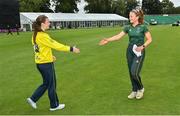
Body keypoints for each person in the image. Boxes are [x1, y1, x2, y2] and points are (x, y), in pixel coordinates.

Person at [27, 15, 80, 111]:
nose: (49, 23)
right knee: (51, 84)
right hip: (46, 64)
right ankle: (54, 105)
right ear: (43, 24)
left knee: (47, 83)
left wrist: (50, 56)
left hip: (41, 63)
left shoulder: (36, 35)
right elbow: (56, 45)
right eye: (48, 22)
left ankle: (33, 99)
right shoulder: (42, 36)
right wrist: (71, 49)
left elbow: (40, 50)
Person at [99, 9, 152, 100]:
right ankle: (134, 90)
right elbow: (118, 37)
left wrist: (143, 46)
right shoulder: (128, 27)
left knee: (134, 72)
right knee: (131, 72)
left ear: (137, 17)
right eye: (129, 16)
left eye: (131, 16)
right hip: (130, 50)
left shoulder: (143, 27)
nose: (129, 17)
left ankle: (140, 88)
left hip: (139, 51)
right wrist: (107, 39)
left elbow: (150, 39)